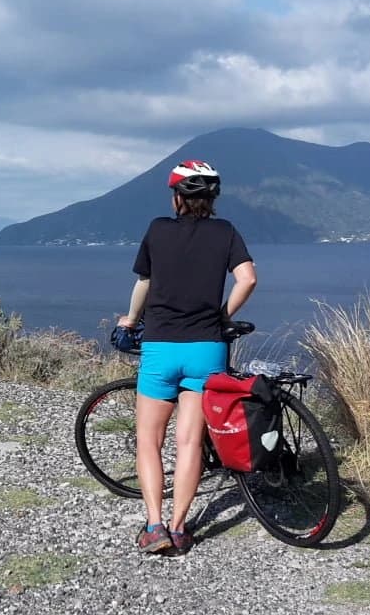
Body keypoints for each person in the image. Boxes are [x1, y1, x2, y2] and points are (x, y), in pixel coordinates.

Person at [116, 160, 257, 555]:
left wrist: (130, 320)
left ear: (177, 197)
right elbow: (248, 278)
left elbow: (144, 282)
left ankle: (155, 526)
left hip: (161, 347)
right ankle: (180, 529)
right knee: (190, 442)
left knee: (149, 440)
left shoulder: (158, 229)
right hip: (206, 348)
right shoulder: (225, 232)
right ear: (212, 200)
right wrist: (223, 316)